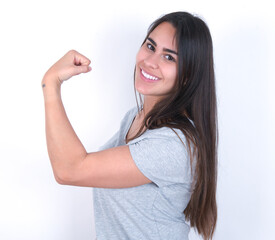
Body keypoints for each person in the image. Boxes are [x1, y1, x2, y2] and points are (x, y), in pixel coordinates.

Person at [42, 11, 218, 240]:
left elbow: (70, 169)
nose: (150, 62)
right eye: (151, 46)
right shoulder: (136, 118)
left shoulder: (171, 145)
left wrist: (51, 83)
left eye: (169, 57)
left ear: (188, 75)